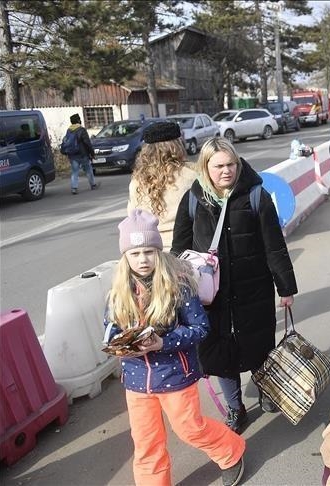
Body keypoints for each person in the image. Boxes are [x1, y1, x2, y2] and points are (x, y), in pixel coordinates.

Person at [105, 209, 246, 486]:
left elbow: (200, 329)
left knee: (190, 429)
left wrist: (163, 342)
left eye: (148, 251)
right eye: (135, 253)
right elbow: (111, 328)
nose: (142, 259)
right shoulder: (118, 293)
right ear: (125, 258)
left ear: (158, 251)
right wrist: (118, 343)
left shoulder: (177, 286)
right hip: (136, 381)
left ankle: (230, 453)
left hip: (175, 377)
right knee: (146, 443)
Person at [171, 138, 298, 433]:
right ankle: (235, 408)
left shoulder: (257, 195)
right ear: (205, 167)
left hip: (253, 291)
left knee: (258, 346)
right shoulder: (193, 199)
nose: (226, 171)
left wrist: (286, 288)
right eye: (219, 166)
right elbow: (179, 249)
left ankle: (267, 391)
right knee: (219, 353)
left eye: (231, 164)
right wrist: (180, 287)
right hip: (210, 297)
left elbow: (274, 247)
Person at [127, 121, 197, 252]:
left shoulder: (137, 181)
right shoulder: (192, 175)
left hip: (150, 250)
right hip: (186, 248)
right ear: (177, 145)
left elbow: (133, 217)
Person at [62, 113, 99, 195]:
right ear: (78, 120)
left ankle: (74, 188)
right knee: (88, 170)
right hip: (83, 154)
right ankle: (93, 185)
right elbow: (87, 143)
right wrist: (92, 154)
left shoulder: (69, 130)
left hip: (72, 155)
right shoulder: (81, 130)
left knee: (75, 171)